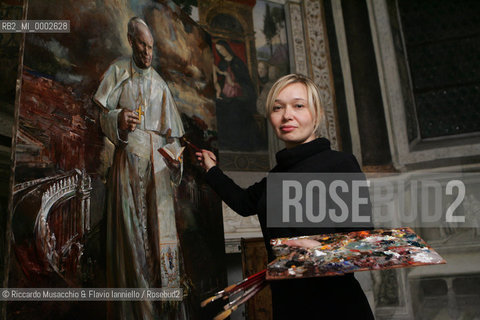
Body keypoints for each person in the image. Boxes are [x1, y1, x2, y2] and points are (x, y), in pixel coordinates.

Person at [196, 74, 374, 319]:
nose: (286, 115)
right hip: (288, 305)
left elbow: (361, 240)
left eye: (298, 106)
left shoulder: (340, 164)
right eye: (277, 108)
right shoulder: (276, 176)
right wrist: (212, 170)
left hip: (336, 306)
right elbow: (244, 203)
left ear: (316, 114)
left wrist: (318, 249)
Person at [94, 17, 187, 319]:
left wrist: (175, 157)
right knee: (131, 239)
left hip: (157, 174)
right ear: (131, 41)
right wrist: (118, 118)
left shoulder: (160, 85)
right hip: (128, 166)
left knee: (157, 239)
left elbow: (173, 138)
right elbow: (100, 116)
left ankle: (162, 311)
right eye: (142, 45)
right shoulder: (118, 72)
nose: (147, 53)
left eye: (151, 47)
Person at [213, 40, 265, 151]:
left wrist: (236, 85)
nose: (221, 52)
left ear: (226, 48)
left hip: (240, 96)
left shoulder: (238, 62)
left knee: (235, 111)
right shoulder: (221, 64)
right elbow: (218, 80)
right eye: (218, 50)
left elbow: (246, 82)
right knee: (219, 109)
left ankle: (239, 144)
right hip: (226, 95)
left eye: (221, 49)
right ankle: (226, 144)